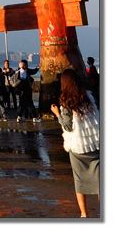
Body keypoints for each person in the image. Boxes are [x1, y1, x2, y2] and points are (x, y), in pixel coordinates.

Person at [51, 69, 99, 218]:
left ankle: (84, 214)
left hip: (78, 147)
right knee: (99, 181)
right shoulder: (89, 97)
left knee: (80, 182)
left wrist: (57, 113)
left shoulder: (66, 103)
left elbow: (67, 126)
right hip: (95, 144)